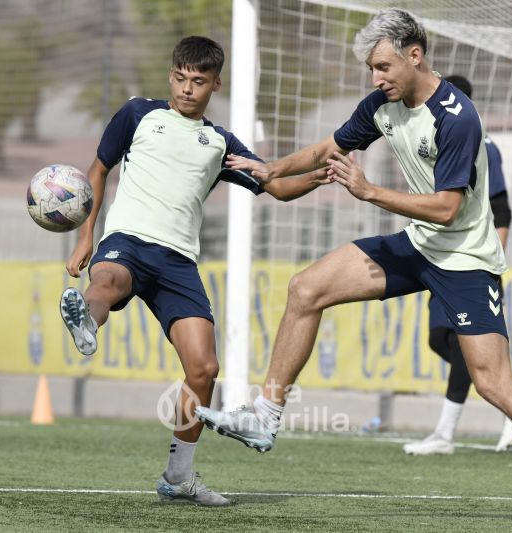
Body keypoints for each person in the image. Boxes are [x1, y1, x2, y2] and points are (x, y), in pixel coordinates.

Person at [195, 10, 512, 532]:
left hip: (464, 259)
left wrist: (368, 191)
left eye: (383, 66)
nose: (376, 79)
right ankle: (265, 415)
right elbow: (332, 147)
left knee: (494, 383)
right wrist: (272, 168)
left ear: (415, 55)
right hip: (418, 246)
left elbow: (446, 210)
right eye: (371, 69)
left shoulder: (457, 117)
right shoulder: (382, 105)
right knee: (306, 288)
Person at [59, 36, 329, 507]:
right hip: (126, 240)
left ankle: (178, 477)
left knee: (204, 369)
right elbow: (97, 171)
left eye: (198, 82)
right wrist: (86, 237)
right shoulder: (138, 114)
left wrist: (320, 174)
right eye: (181, 78)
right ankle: (85, 319)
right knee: (107, 282)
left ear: (214, 84)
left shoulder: (220, 143)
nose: (187, 89)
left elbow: (277, 187)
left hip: (178, 262)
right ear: (171, 76)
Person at [402, 74, 512, 456]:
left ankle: (444, 434)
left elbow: (501, 208)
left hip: (470, 260)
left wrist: (489, 262)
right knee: (440, 339)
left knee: (460, 345)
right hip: (437, 255)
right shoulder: (424, 135)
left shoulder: (482, 142)